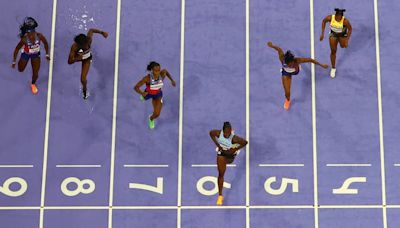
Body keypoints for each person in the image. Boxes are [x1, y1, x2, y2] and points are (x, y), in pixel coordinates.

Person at [267, 41, 329, 110]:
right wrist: (272, 46)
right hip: (286, 73)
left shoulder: (297, 60)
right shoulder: (282, 59)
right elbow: (279, 49)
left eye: (292, 63)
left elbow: (310, 60)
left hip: (296, 71)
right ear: (286, 62)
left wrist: (322, 65)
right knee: (287, 92)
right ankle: (288, 100)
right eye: (289, 64)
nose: (291, 65)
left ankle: (298, 68)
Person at [209, 122, 248, 206]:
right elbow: (211, 133)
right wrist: (217, 145)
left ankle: (234, 151)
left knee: (229, 162)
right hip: (222, 154)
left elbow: (245, 142)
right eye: (226, 132)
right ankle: (220, 195)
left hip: (231, 155)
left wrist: (235, 149)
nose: (227, 134)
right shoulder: (218, 133)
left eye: (229, 132)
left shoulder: (234, 139)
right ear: (223, 131)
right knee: (221, 174)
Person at [12, 17, 50, 94]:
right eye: (30, 34)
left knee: (35, 74)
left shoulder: (39, 36)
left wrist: (47, 54)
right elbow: (16, 49)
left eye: (33, 33)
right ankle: (24, 52)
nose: (32, 35)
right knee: (20, 69)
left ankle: (33, 84)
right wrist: (14, 61)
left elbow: (45, 43)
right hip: (26, 54)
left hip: (35, 55)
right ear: (27, 32)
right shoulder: (24, 40)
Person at [68, 28, 108, 99]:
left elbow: (91, 30)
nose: (86, 46)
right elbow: (69, 62)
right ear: (79, 44)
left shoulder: (89, 39)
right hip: (77, 58)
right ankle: (85, 90)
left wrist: (102, 32)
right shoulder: (74, 47)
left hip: (87, 59)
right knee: (77, 58)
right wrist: (77, 58)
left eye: (86, 44)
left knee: (83, 79)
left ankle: (84, 90)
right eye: (84, 45)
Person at [134, 61, 176, 129]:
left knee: (157, 114)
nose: (157, 72)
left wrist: (172, 80)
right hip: (148, 93)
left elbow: (166, 71)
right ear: (152, 70)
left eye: (159, 70)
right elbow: (136, 87)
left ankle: (151, 118)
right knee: (143, 98)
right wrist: (142, 93)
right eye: (155, 71)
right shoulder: (147, 78)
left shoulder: (162, 74)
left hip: (158, 95)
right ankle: (143, 97)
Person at [320, 8, 352, 78]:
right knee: (333, 51)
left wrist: (347, 40)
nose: (339, 18)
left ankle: (342, 41)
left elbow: (350, 29)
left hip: (342, 34)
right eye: (338, 17)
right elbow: (323, 21)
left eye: (340, 17)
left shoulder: (345, 21)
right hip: (333, 34)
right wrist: (322, 33)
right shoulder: (330, 18)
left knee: (343, 46)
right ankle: (333, 68)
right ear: (336, 15)